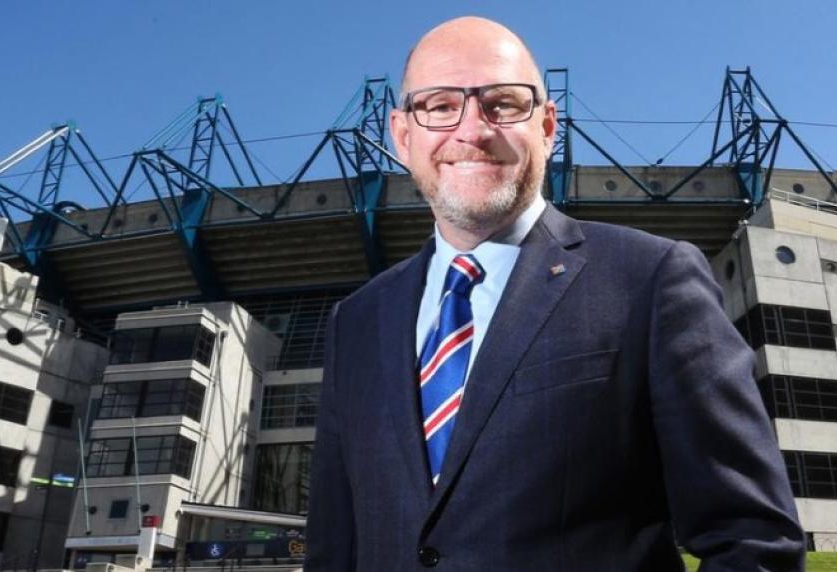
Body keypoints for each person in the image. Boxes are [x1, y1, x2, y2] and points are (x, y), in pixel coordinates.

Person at [305, 16, 805, 571]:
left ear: (547, 126)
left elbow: (753, 540)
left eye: (502, 103)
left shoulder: (650, 278)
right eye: (440, 106)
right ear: (403, 136)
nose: (472, 130)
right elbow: (334, 548)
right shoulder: (356, 320)